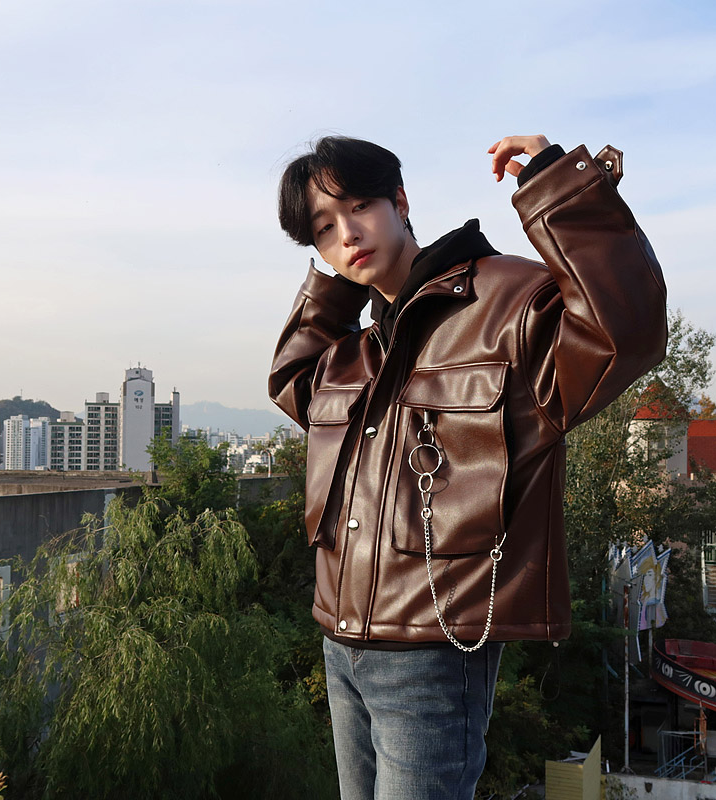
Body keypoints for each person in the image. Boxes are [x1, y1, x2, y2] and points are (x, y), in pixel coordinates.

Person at [270, 134, 667, 799]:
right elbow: (295, 383)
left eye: (359, 206)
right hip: (341, 645)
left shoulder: (504, 300)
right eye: (323, 229)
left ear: (400, 201)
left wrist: (559, 187)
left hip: (433, 651)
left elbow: (624, 331)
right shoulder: (362, 348)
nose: (347, 235)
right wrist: (336, 292)